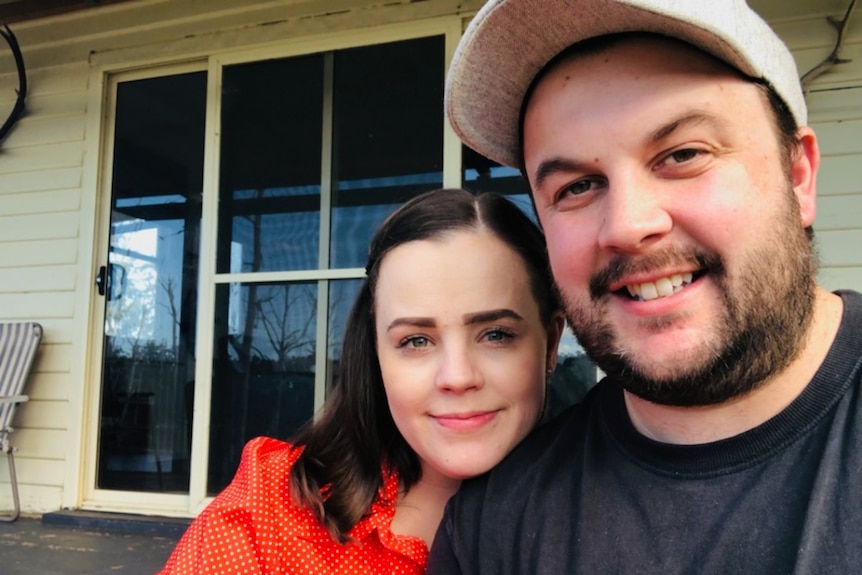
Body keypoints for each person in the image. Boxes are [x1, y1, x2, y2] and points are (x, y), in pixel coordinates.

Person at [427, 1, 862, 573]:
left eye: (683, 154)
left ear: (798, 175)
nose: (628, 227)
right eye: (578, 186)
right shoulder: (492, 527)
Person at [158, 188, 565, 574]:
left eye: (496, 334)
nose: (457, 377)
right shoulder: (275, 510)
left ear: (550, 345)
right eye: (416, 340)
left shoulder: (606, 510)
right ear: (375, 355)